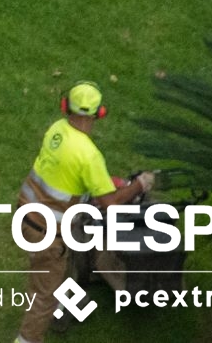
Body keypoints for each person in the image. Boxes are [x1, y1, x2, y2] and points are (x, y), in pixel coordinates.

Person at [13, 82, 155, 343]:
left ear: (66, 106)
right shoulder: (89, 155)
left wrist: (104, 185)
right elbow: (111, 204)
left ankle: (59, 300)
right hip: (47, 234)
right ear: (97, 114)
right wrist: (139, 184)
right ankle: (26, 338)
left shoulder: (57, 130)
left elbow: (69, 179)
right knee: (42, 296)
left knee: (52, 268)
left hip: (25, 213)